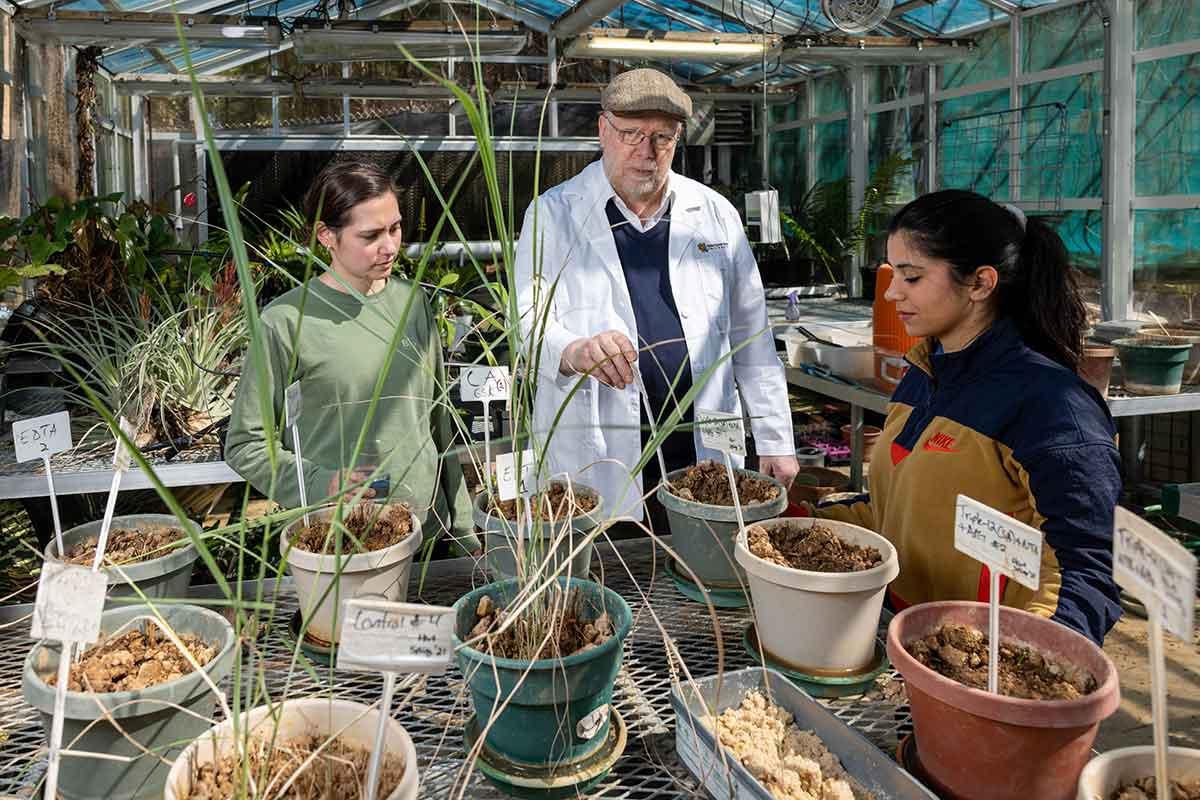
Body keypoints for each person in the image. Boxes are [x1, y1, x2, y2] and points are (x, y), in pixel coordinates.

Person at [809, 190, 1122, 645]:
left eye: (911, 277)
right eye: (892, 273)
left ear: (980, 284)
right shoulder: (925, 370)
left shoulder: (1052, 410)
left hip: (980, 665)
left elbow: (1086, 568)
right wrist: (801, 521)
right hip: (894, 635)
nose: (892, 291)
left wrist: (1024, 658)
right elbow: (896, 509)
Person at [514, 68, 799, 523]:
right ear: (603, 129)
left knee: (704, 555)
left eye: (661, 137)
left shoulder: (713, 213)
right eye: (631, 134)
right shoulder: (554, 213)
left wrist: (776, 438)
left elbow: (752, 335)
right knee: (610, 556)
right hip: (603, 440)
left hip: (701, 435)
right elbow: (527, 320)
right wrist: (574, 350)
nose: (646, 152)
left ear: (678, 138)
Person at [225, 160, 480, 555]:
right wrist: (319, 482)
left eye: (395, 227)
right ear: (326, 236)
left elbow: (438, 424)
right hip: (340, 545)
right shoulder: (286, 322)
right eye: (371, 235)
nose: (391, 246)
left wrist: (463, 528)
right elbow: (245, 442)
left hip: (428, 535)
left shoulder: (413, 304)